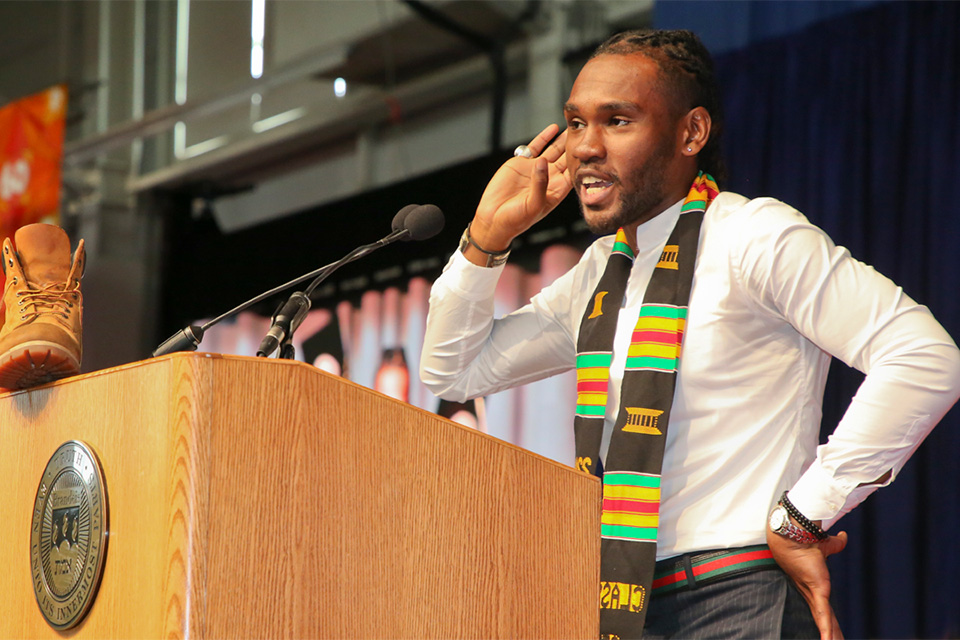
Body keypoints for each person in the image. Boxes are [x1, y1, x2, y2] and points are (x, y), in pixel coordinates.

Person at [419, 29, 960, 640]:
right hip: (618, 606)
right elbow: (454, 372)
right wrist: (486, 239)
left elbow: (924, 357)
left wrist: (806, 514)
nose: (586, 148)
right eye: (574, 123)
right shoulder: (600, 270)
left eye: (617, 121)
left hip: (740, 593)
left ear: (690, 133)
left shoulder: (753, 237)